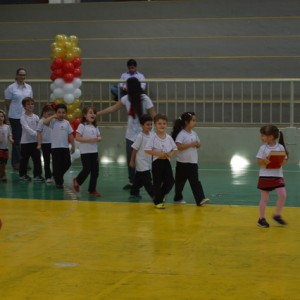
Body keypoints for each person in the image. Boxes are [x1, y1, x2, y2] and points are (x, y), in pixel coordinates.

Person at [97, 77, 156, 190]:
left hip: (146, 134)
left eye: (127, 85)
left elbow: (153, 114)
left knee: (145, 159)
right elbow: (112, 108)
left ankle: (146, 180)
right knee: (131, 159)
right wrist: (98, 113)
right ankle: (132, 181)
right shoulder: (126, 99)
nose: (125, 87)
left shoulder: (144, 98)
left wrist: (159, 129)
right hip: (131, 135)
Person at [171, 112, 209, 206]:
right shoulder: (181, 134)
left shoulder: (194, 133)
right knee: (179, 183)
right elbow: (178, 146)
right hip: (182, 164)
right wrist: (190, 145)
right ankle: (177, 198)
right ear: (186, 122)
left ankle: (200, 199)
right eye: (193, 120)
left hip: (193, 163)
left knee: (195, 181)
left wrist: (197, 144)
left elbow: (199, 144)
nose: (195, 122)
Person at [256, 125, 288, 228]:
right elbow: (258, 162)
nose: (261, 137)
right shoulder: (262, 148)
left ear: (271, 137)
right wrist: (265, 160)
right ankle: (261, 219)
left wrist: (282, 162)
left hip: (277, 175)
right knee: (264, 198)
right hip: (265, 176)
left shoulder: (280, 147)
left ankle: (277, 215)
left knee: (283, 195)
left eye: (263, 135)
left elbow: (284, 161)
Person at [144, 114, 177, 209]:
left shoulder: (169, 138)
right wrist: (159, 154)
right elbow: (147, 150)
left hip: (166, 162)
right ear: (155, 125)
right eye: (159, 123)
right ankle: (158, 202)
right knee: (157, 183)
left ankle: (160, 196)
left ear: (166, 125)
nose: (162, 125)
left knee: (170, 181)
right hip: (157, 162)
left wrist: (170, 154)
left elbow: (175, 149)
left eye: (164, 123)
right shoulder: (153, 137)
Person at [4, 68, 33, 171]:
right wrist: (14, 110)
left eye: (24, 75)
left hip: (26, 117)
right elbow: (7, 102)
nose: (22, 76)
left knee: (27, 140)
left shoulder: (29, 87)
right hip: (15, 117)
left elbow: (30, 102)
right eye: (20, 75)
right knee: (17, 140)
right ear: (16, 75)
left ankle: (25, 162)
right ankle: (16, 162)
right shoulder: (10, 88)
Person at [43, 103, 75, 189]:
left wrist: (73, 145)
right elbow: (45, 122)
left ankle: (57, 174)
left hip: (65, 147)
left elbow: (70, 135)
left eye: (63, 112)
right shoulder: (53, 122)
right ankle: (59, 182)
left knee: (67, 163)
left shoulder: (67, 123)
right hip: (55, 148)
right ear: (56, 113)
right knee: (57, 165)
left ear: (66, 113)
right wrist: (53, 116)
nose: (61, 114)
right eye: (59, 112)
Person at [73, 107, 102, 197]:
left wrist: (99, 138)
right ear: (85, 115)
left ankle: (92, 190)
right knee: (87, 169)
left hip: (94, 152)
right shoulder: (82, 126)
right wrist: (90, 140)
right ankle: (77, 180)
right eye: (90, 113)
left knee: (95, 171)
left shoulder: (95, 126)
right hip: (85, 152)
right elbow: (77, 137)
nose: (93, 114)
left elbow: (99, 136)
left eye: (94, 113)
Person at [129, 114, 154, 200]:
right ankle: (155, 196)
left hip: (148, 161)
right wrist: (132, 161)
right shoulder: (140, 136)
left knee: (139, 179)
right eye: (147, 124)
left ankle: (134, 191)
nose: (150, 126)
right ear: (141, 126)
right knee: (147, 180)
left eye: (151, 124)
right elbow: (134, 149)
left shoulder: (152, 135)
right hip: (141, 161)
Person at [19, 97, 44, 182]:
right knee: (24, 160)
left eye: (32, 104)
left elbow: (39, 128)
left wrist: (39, 137)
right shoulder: (22, 117)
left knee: (37, 159)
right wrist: (38, 134)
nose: (30, 106)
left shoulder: (36, 117)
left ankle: (37, 175)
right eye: (28, 104)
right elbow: (27, 129)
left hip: (35, 142)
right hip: (25, 142)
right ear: (24, 106)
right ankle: (22, 175)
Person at [37, 104, 54, 183]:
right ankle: (48, 176)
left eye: (51, 114)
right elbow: (39, 133)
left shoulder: (53, 121)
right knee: (46, 161)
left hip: (53, 143)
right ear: (44, 113)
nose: (50, 116)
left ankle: (54, 174)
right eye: (48, 114)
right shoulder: (41, 121)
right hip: (45, 144)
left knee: (55, 160)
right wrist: (39, 143)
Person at [0, 110, 14, 182]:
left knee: (4, 162)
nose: (0, 118)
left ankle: (2, 173)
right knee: (1, 162)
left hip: (5, 148)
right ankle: (3, 175)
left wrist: (11, 139)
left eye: (2, 116)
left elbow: (9, 135)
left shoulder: (7, 127)